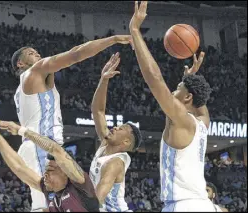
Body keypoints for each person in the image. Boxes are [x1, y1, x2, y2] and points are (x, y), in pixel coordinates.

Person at [11, 35, 132, 211]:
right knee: (45, 205)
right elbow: (75, 54)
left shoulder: (28, 85)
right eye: (31, 53)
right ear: (20, 64)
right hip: (40, 145)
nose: (37, 54)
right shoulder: (35, 71)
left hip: (41, 145)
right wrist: (112, 40)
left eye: (37, 52)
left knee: (52, 205)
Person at [129, 1, 214, 211]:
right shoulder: (202, 123)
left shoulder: (181, 120)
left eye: (177, 88)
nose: (173, 92)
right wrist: (189, 79)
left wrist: (135, 31)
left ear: (187, 99)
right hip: (203, 205)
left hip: (183, 206)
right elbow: (200, 105)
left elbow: (155, 79)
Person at [0, 112, 100, 212]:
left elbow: (57, 150)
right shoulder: (49, 191)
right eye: (46, 169)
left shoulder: (80, 185)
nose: (45, 174)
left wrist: (22, 131)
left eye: (50, 170)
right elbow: (19, 168)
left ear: (66, 172)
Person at [90, 53, 142, 212]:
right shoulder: (105, 144)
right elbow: (98, 111)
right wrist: (104, 79)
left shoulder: (115, 163)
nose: (115, 127)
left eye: (121, 129)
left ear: (126, 142)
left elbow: (101, 193)